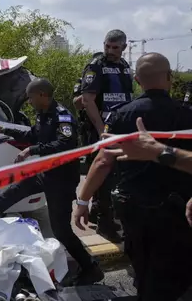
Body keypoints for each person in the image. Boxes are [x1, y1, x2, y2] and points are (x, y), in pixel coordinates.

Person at [73, 53, 192, 301]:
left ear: (137, 80)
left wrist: (82, 202)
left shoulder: (120, 116)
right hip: (178, 209)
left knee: (142, 265)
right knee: (173, 269)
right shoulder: (187, 114)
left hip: (135, 209)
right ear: (170, 78)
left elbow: (103, 162)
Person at [0, 78, 104, 285]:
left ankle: (90, 268)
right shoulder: (42, 114)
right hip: (44, 173)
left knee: (61, 230)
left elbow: (64, 145)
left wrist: (32, 150)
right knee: (8, 195)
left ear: (43, 95)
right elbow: (33, 134)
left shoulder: (63, 117)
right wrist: (7, 130)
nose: (29, 102)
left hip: (61, 181)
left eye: (31, 98)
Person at [75, 30, 133, 242]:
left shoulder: (124, 66)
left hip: (120, 127)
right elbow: (87, 100)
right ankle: (104, 224)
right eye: (107, 46)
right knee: (105, 175)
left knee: (115, 175)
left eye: (115, 47)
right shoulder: (96, 66)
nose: (109, 51)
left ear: (124, 47)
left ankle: (100, 213)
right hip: (102, 129)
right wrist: (101, 130)